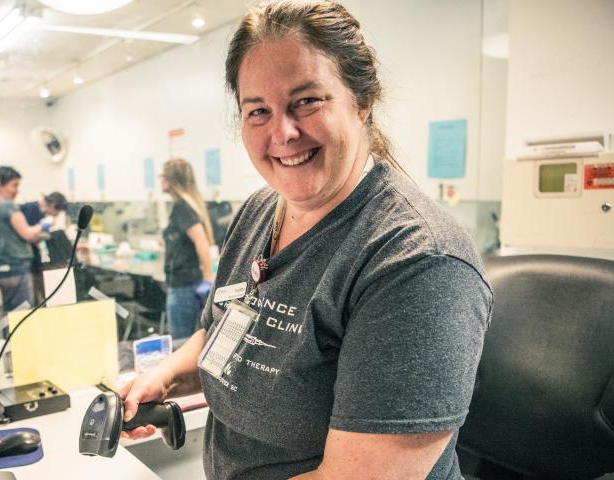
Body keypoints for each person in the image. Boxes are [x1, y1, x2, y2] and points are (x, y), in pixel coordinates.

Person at [118, 2, 491, 479]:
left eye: (307, 101)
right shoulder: (258, 211)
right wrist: (166, 375)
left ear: (362, 101)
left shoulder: (418, 261)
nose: (284, 132)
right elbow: (225, 331)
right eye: (258, 111)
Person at [158, 159, 215, 340]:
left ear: (171, 180)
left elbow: (201, 243)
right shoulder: (184, 205)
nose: (160, 180)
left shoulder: (182, 207)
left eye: (162, 176)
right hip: (184, 285)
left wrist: (207, 279)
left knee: (181, 342)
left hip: (184, 287)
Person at [0, 166, 46, 314]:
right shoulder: (8, 206)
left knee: (9, 313)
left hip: (0, 268)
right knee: (23, 314)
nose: (17, 190)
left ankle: (6, 337)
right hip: (16, 267)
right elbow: (28, 234)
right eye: (14, 185)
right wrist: (43, 224)